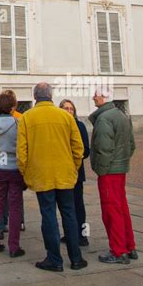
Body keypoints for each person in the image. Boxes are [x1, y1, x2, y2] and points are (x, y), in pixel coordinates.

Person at [17, 82, 87, 272]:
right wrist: (74, 167)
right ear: (51, 95)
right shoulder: (65, 116)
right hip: (65, 174)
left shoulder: (27, 117)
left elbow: (21, 152)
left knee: (48, 215)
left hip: (42, 175)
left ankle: (54, 259)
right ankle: (76, 258)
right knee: (69, 215)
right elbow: (78, 148)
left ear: (34, 96)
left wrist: (25, 172)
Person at [89, 88, 137, 264]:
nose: (93, 97)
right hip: (120, 168)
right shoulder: (121, 115)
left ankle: (118, 251)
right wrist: (122, 161)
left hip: (109, 172)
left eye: (96, 94)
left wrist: (101, 169)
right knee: (122, 208)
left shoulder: (104, 118)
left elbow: (103, 148)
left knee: (111, 211)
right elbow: (131, 144)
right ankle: (129, 246)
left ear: (105, 98)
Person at [0, 93, 25, 257]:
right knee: (15, 207)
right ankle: (14, 246)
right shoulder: (17, 122)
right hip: (14, 166)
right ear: (11, 107)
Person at [59, 99, 90, 246]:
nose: (69, 111)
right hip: (62, 173)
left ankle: (83, 236)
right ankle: (70, 233)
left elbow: (86, 150)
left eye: (71, 109)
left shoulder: (80, 125)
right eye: (66, 108)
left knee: (78, 205)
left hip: (76, 172)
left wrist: (73, 157)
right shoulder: (59, 126)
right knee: (66, 206)